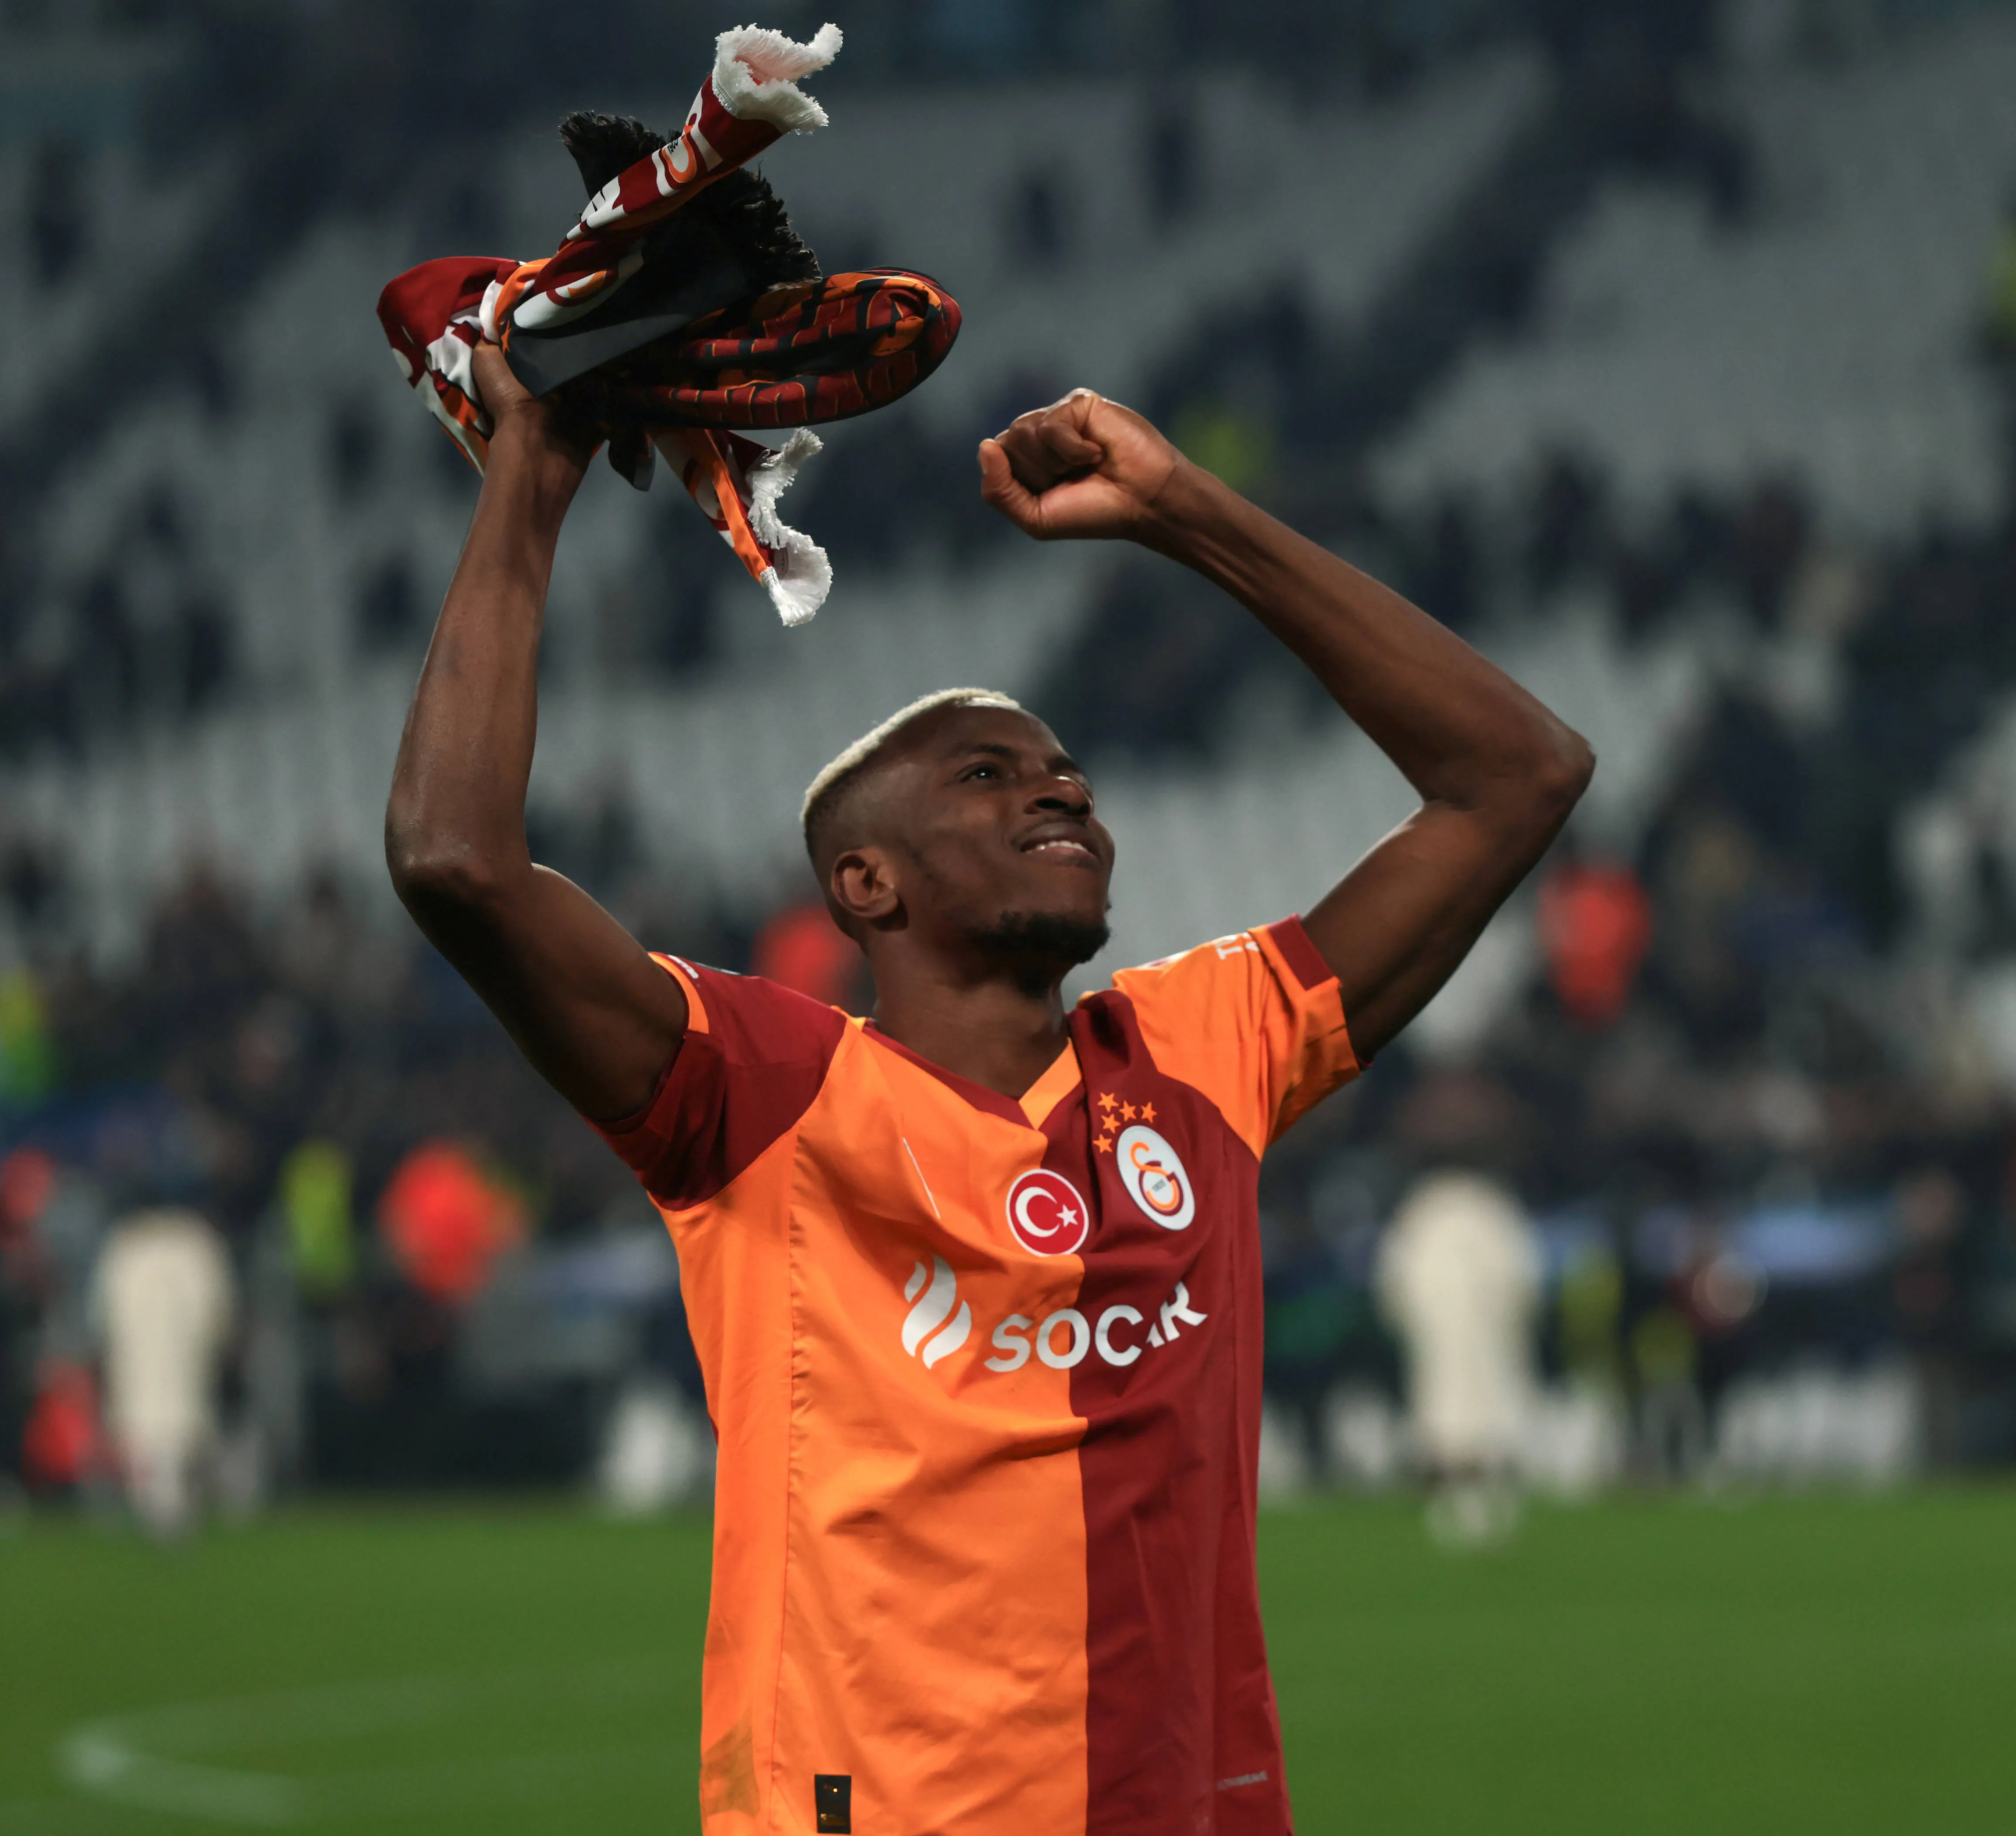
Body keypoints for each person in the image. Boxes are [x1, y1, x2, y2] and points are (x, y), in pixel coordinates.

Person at [384, 352, 1591, 1833]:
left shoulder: (1200, 1050)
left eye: (1069, 772)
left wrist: (1186, 512)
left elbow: (1517, 774)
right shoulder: (762, 1094)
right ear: (864, 879)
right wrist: (533, 469)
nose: (1060, 790)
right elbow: (458, 859)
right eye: (985, 774)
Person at [1373, 1170, 1543, 1545]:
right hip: (1448, 1347)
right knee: (1450, 1418)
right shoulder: (1437, 1219)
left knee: (1482, 1418)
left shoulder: (1471, 1217)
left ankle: (1487, 1501)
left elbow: (1519, 1283)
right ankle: (1457, 1504)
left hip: (1484, 1346)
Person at [91, 1207, 234, 1539]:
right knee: (152, 1425)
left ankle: (171, 1503)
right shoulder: (134, 1250)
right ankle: (162, 1503)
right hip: (148, 1369)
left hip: (176, 1368)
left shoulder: (183, 1249)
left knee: (174, 1424)